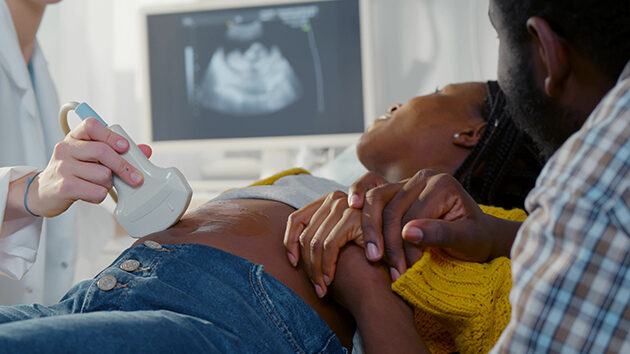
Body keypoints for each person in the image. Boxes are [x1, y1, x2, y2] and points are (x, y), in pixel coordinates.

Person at [0, 81, 542, 352]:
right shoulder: (314, 180)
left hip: (224, 325)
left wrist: (361, 277)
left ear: (469, 133)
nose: (404, 100)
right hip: (102, 292)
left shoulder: (476, 239)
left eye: (441, 91)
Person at [324, 0, 630, 351]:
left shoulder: (591, 194)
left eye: (498, 35)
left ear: (547, 51)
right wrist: (497, 233)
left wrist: (367, 287)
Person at [0, 0, 150, 305]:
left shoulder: (34, 63)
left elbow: (63, 214)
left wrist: (156, 212)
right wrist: (27, 192)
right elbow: (41, 194)